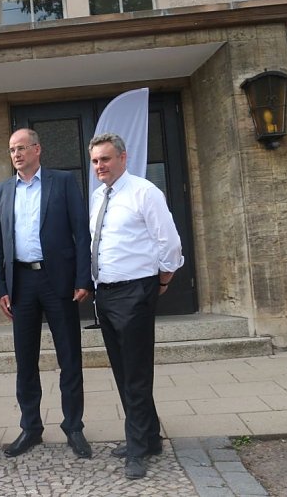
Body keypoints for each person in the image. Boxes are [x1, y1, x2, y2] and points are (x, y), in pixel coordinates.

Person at [0, 128, 93, 459]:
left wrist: (83, 278)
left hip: (57, 281)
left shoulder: (62, 182)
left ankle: (73, 427)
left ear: (37, 149)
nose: (16, 154)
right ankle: (31, 428)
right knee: (25, 360)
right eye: (11, 150)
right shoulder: (2, 191)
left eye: (22, 148)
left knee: (69, 356)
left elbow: (81, 232)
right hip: (21, 283)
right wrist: (2, 287)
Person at [88, 133, 183, 480]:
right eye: (96, 160)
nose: (100, 166)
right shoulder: (98, 197)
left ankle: (138, 449)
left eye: (106, 159)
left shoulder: (145, 192)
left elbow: (169, 243)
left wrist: (161, 283)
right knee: (122, 371)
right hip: (107, 294)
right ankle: (150, 436)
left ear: (123, 158)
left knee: (137, 374)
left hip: (136, 291)